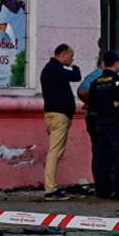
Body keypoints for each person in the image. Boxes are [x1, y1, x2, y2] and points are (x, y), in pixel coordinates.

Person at [79, 51, 119, 199]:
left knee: (100, 156)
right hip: (116, 122)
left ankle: (102, 189)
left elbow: (92, 101)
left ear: (103, 63)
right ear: (116, 64)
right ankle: (118, 190)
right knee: (118, 156)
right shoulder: (118, 81)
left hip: (99, 121)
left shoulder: (95, 82)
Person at [39, 44, 80, 199]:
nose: (72, 59)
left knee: (54, 152)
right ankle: (50, 189)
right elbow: (76, 77)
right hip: (58, 116)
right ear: (62, 55)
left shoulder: (51, 69)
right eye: (71, 56)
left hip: (54, 115)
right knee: (54, 153)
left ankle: (50, 188)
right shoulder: (54, 69)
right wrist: (75, 67)